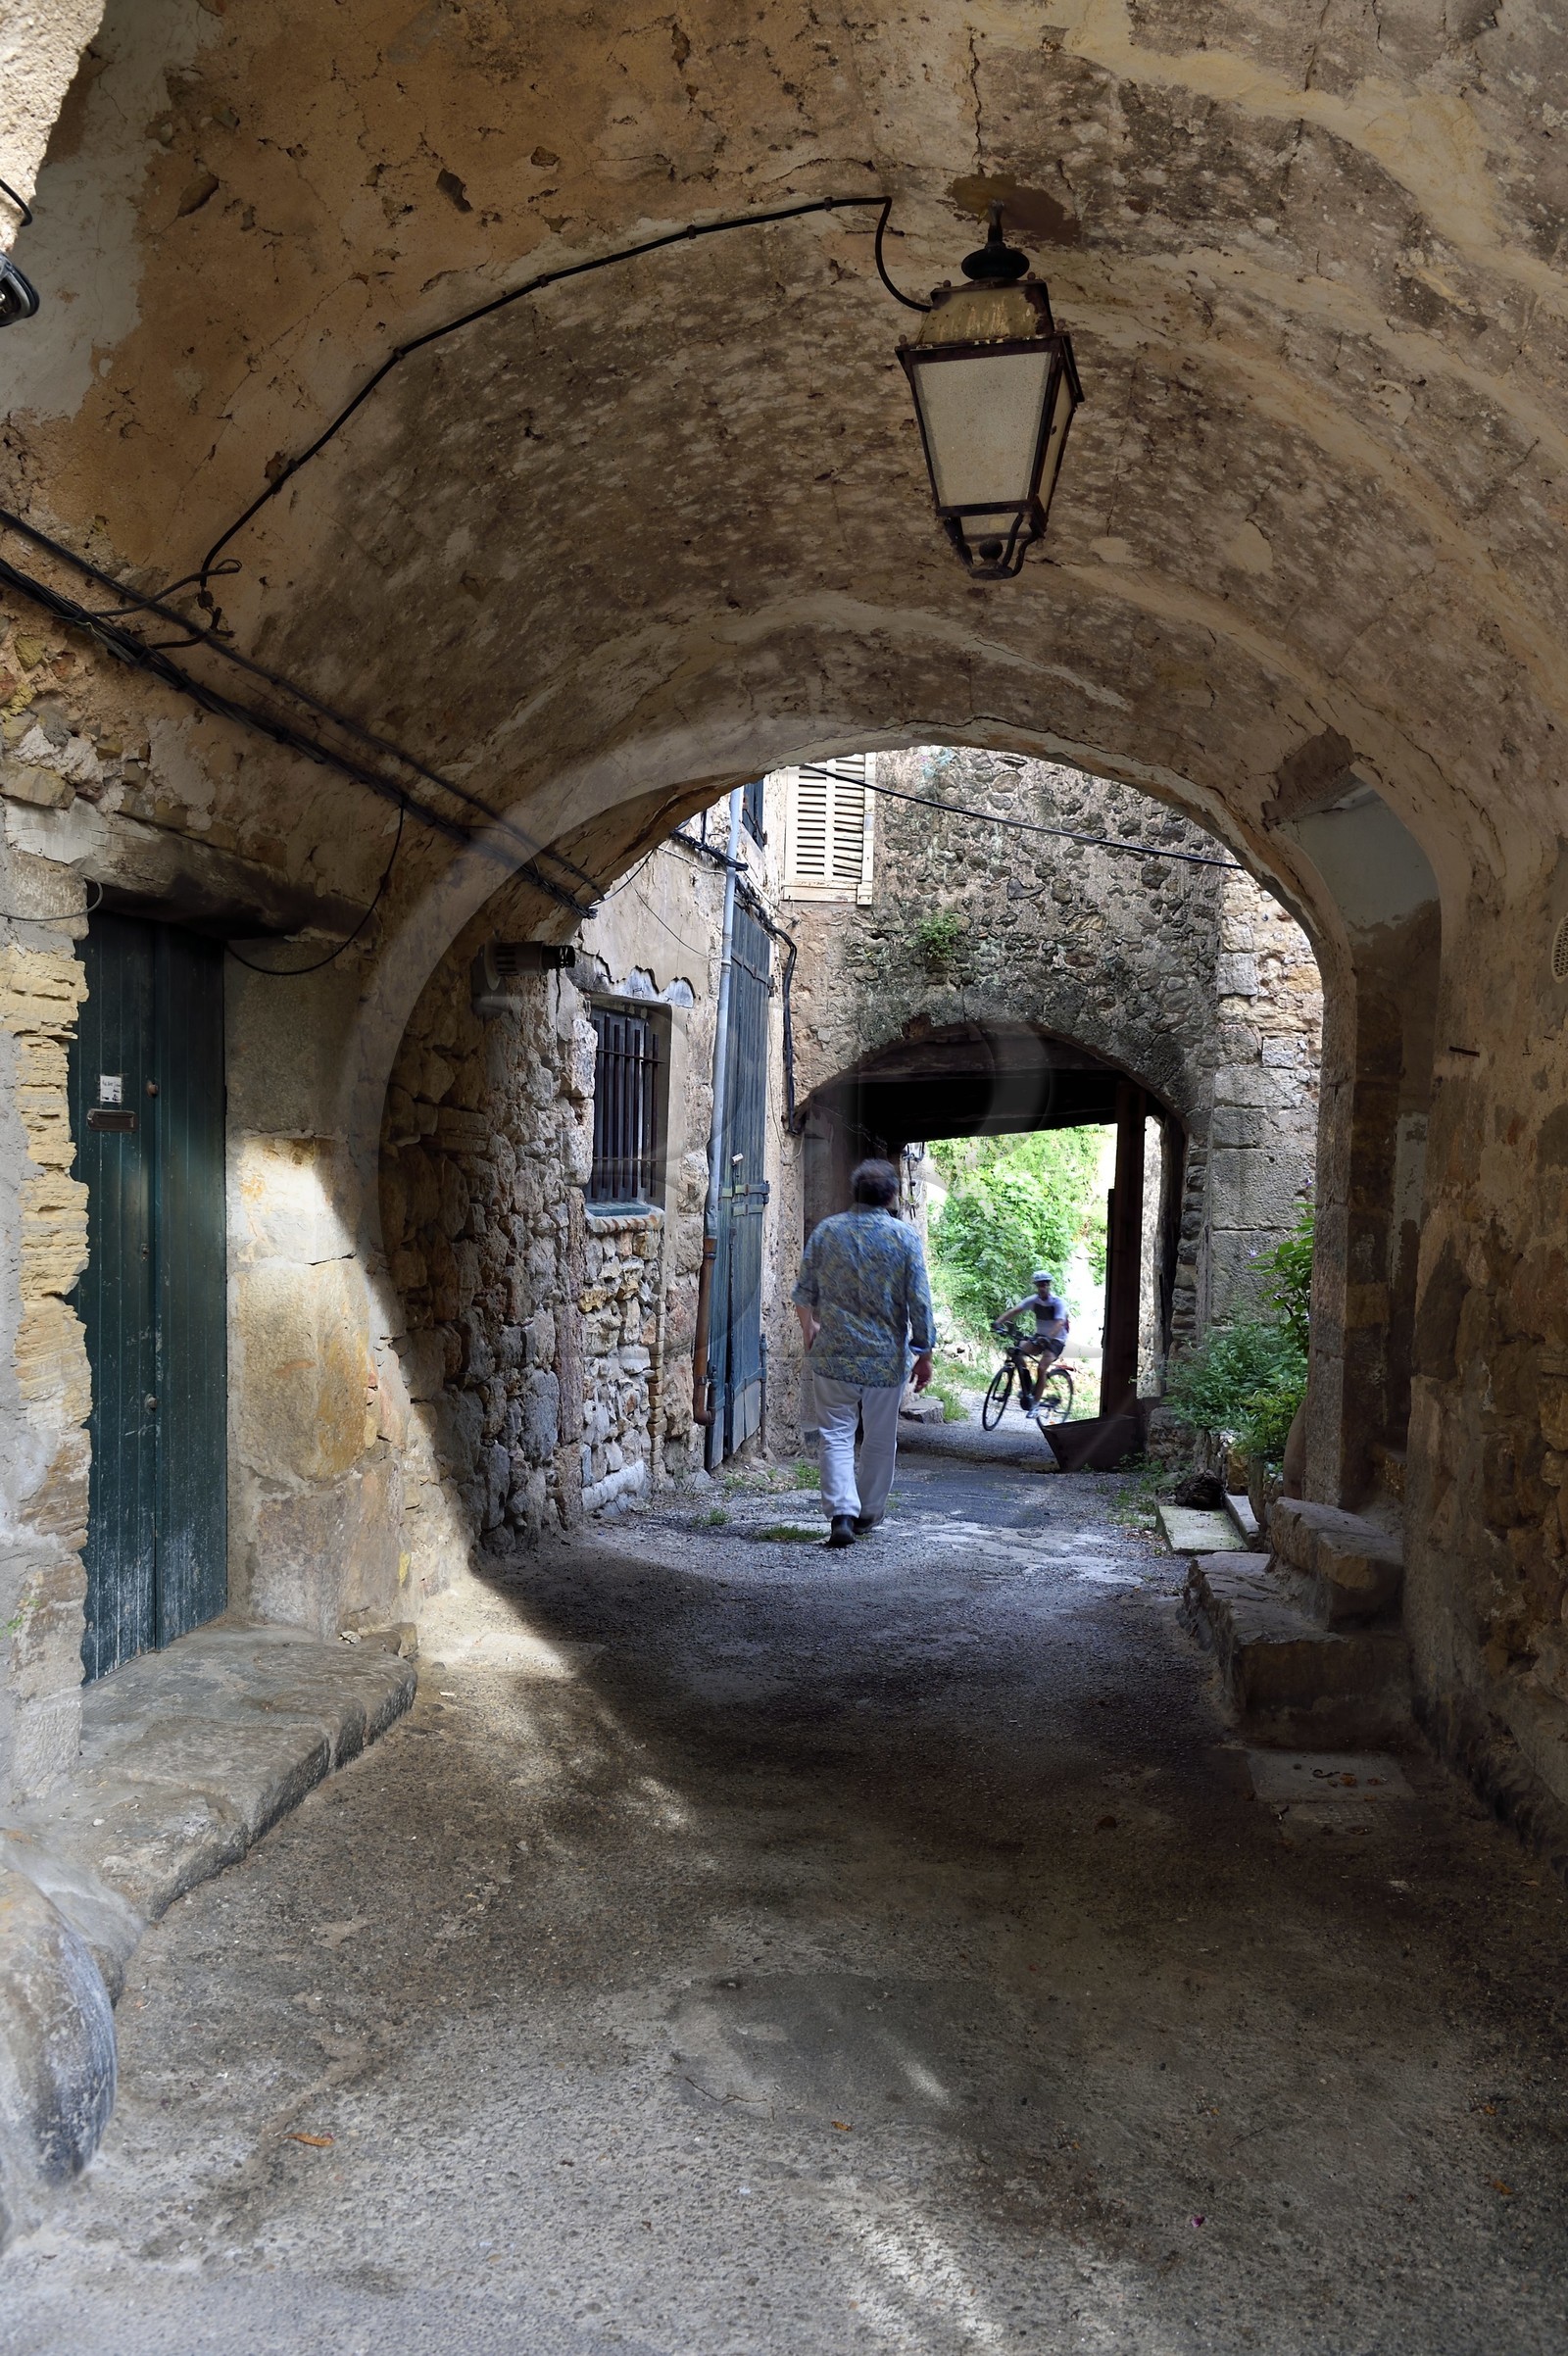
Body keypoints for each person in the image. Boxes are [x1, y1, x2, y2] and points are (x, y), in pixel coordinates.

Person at [793, 1158, 936, 1548]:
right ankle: (868, 1512)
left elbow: (803, 1293)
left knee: (835, 1435)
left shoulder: (826, 1232)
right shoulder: (903, 1238)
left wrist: (810, 1328)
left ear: (854, 1193)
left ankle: (842, 1512)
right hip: (885, 1359)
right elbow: (919, 1301)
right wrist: (923, 1352)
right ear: (892, 1196)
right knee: (878, 1438)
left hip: (834, 1353)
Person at [995, 1269, 1069, 1406]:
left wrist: (1048, 1337)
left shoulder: (1058, 1302)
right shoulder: (1034, 1301)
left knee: (1041, 1368)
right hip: (1040, 1337)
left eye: (1044, 1284)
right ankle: (1027, 1386)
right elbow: (1015, 1311)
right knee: (1017, 1352)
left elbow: (1060, 1322)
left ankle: (1035, 1404)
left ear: (1049, 1285)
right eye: (1039, 1285)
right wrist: (998, 1322)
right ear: (1036, 1286)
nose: (1042, 1287)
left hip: (1057, 1339)